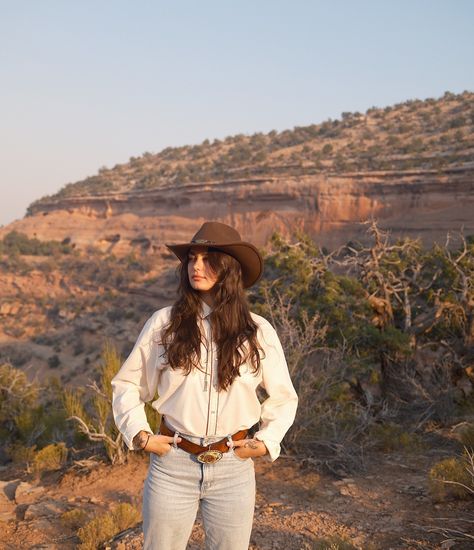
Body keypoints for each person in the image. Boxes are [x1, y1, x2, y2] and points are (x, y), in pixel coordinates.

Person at [111, 221, 298, 550]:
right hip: (173, 463)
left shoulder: (257, 331)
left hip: (233, 467)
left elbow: (283, 397)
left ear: (229, 268)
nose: (196, 266)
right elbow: (127, 384)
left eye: (208, 258)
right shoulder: (164, 324)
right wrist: (140, 436)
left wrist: (267, 441)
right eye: (192, 259)